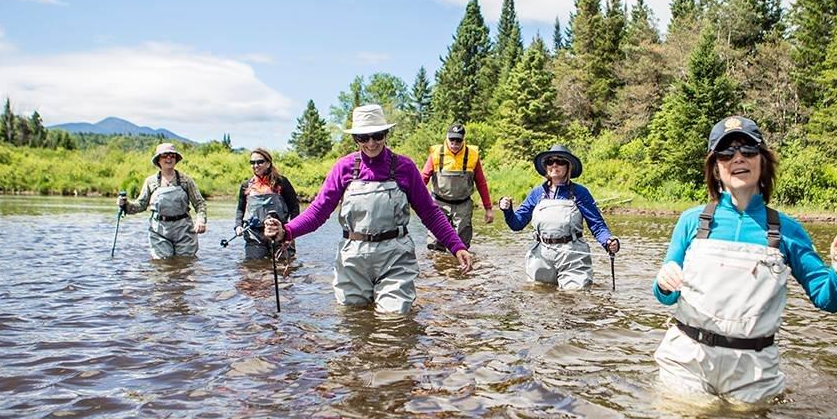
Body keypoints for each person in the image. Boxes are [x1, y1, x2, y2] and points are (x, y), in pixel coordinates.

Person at [651, 115, 837, 404]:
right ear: (715, 168)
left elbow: (828, 300)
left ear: (762, 163)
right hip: (687, 360)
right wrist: (664, 281)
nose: (738, 157)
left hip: (754, 370)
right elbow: (665, 296)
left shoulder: (787, 229)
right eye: (726, 152)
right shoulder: (691, 221)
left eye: (748, 150)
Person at [263, 104, 474, 314]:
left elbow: (430, 212)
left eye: (377, 135)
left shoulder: (405, 167)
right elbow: (318, 211)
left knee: (394, 321)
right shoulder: (343, 168)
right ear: (355, 139)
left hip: (396, 255)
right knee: (353, 321)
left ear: (386, 134)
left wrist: (456, 246)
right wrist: (286, 231)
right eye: (363, 138)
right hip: (352, 258)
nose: (371, 143)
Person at [498, 144, 619, 290]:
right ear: (545, 166)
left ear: (568, 166)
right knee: (539, 295)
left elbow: (597, 225)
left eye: (560, 161)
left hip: (572, 254)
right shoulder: (537, 193)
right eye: (550, 161)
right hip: (540, 255)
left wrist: (608, 241)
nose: (554, 165)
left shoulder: (580, 193)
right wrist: (507, 210)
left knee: (575, 296)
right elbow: (516, 224)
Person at [120, 142, 207, 259]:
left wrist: (201, 220)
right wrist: (125, 205)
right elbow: (140, 205)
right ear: (158, 160)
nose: (169, 158)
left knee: (186, 263)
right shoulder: (150, 182)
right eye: (165, 155)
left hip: (184, 229)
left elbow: (199, 203)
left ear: (176, 159)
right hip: (159, 230)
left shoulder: (186, 181)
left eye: (172, 155)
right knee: (162, 266)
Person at [420, 122, 494, 249]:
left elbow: (481, 183)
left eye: (458, 141)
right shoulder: (436, 154)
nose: (454, 144)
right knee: (435, 245)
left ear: (463, 140)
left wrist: (488, 208)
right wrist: (413, 199)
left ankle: (460, 268)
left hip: (463, 206)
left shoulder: (472, 156)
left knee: (461, 245)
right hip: (439, 203)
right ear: (447, 138)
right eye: (452, 140)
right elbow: (423, 178)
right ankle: (440, 267)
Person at [233, 148, 301, 260]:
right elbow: (240, 209)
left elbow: (294, 207)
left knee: (283, 265)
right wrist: (238, 226)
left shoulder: (281, 182)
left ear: (268, 163)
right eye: (252, 162)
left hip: (279, 232)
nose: (256, 165)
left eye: (260, 162)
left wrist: (292, 230)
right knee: (254, 268)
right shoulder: (246, 186)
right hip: (254, 233)